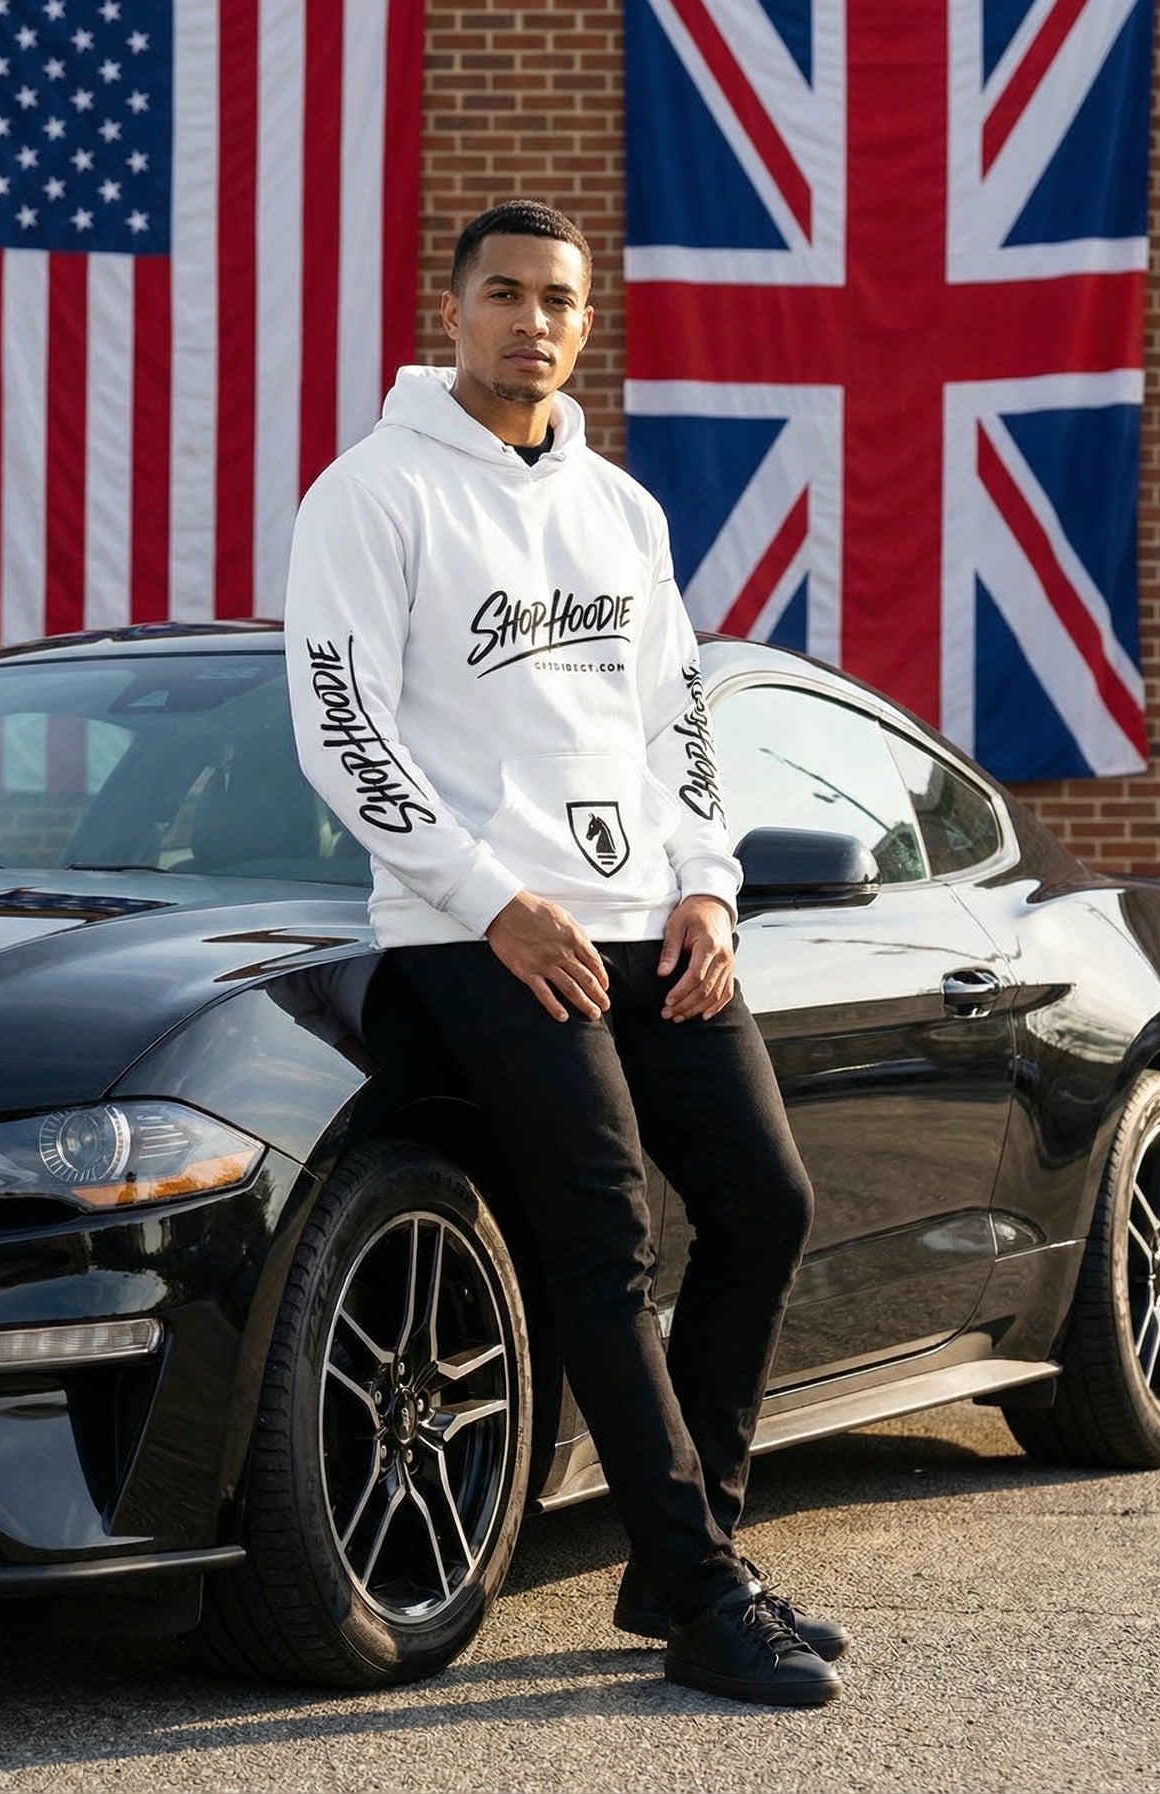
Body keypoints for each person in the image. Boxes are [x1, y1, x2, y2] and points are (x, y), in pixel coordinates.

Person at [283, 199, 848, 1707]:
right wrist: (487, 896)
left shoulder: (620, 508)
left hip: (643, 916)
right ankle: (706, 1584)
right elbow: (345, 730)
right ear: (450, 309)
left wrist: (708, 886)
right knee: (605, 1238)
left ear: (584, 324)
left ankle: (681, 1562)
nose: (534, 322)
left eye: (561, 301)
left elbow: (676, 714)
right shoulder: (371, 493)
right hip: (476, 930)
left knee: (763, 1198)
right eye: (506, 294)